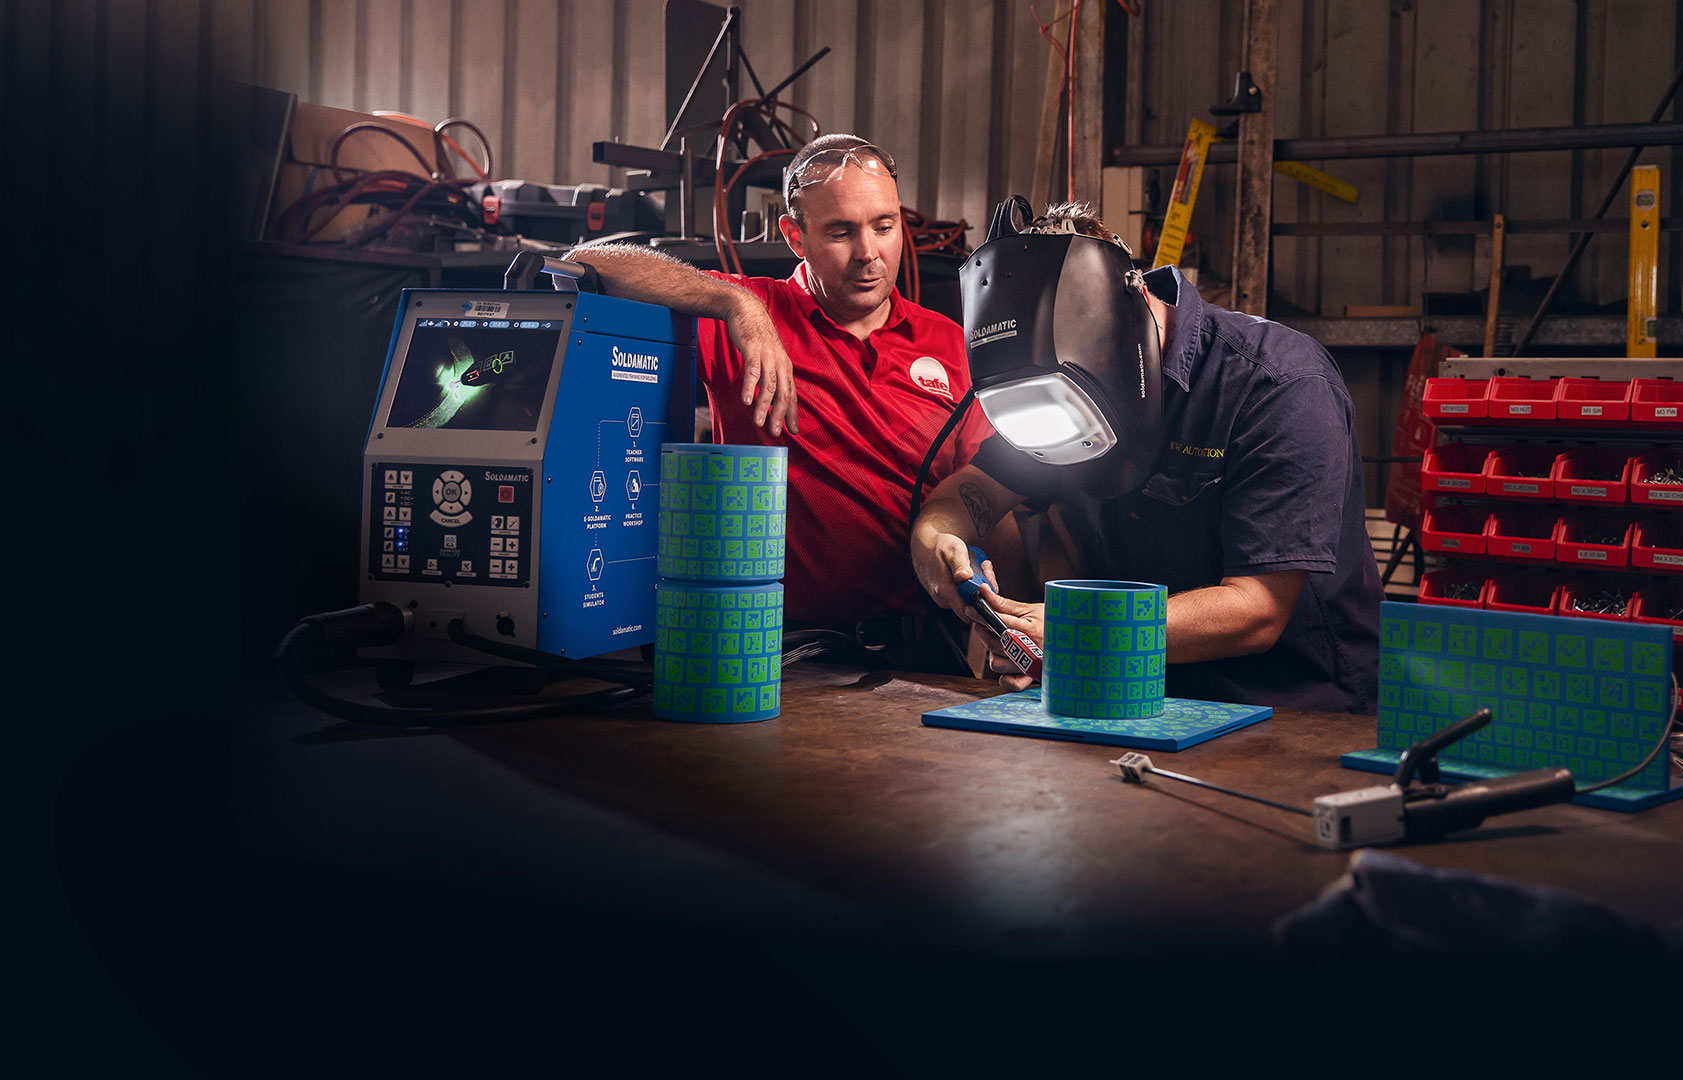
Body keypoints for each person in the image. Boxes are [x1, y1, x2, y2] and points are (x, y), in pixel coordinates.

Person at [910, 202, 1381, 713]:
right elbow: (971, 491)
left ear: (1129, 316)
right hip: (1137, 698)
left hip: (1291, 708)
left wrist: (1083, 632)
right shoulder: (1050, 391)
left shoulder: (1277, 386)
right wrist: (936, 542)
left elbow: (1258, 609)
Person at [568, 134, 996, 667]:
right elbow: (585, 263)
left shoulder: (953, 344)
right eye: (841, 232)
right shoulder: (752, 317)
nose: (868, 253)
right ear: (794, 235)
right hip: (780, 656)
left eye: (884, 227)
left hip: (926, 650)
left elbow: (989, 488)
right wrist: (735, 303)